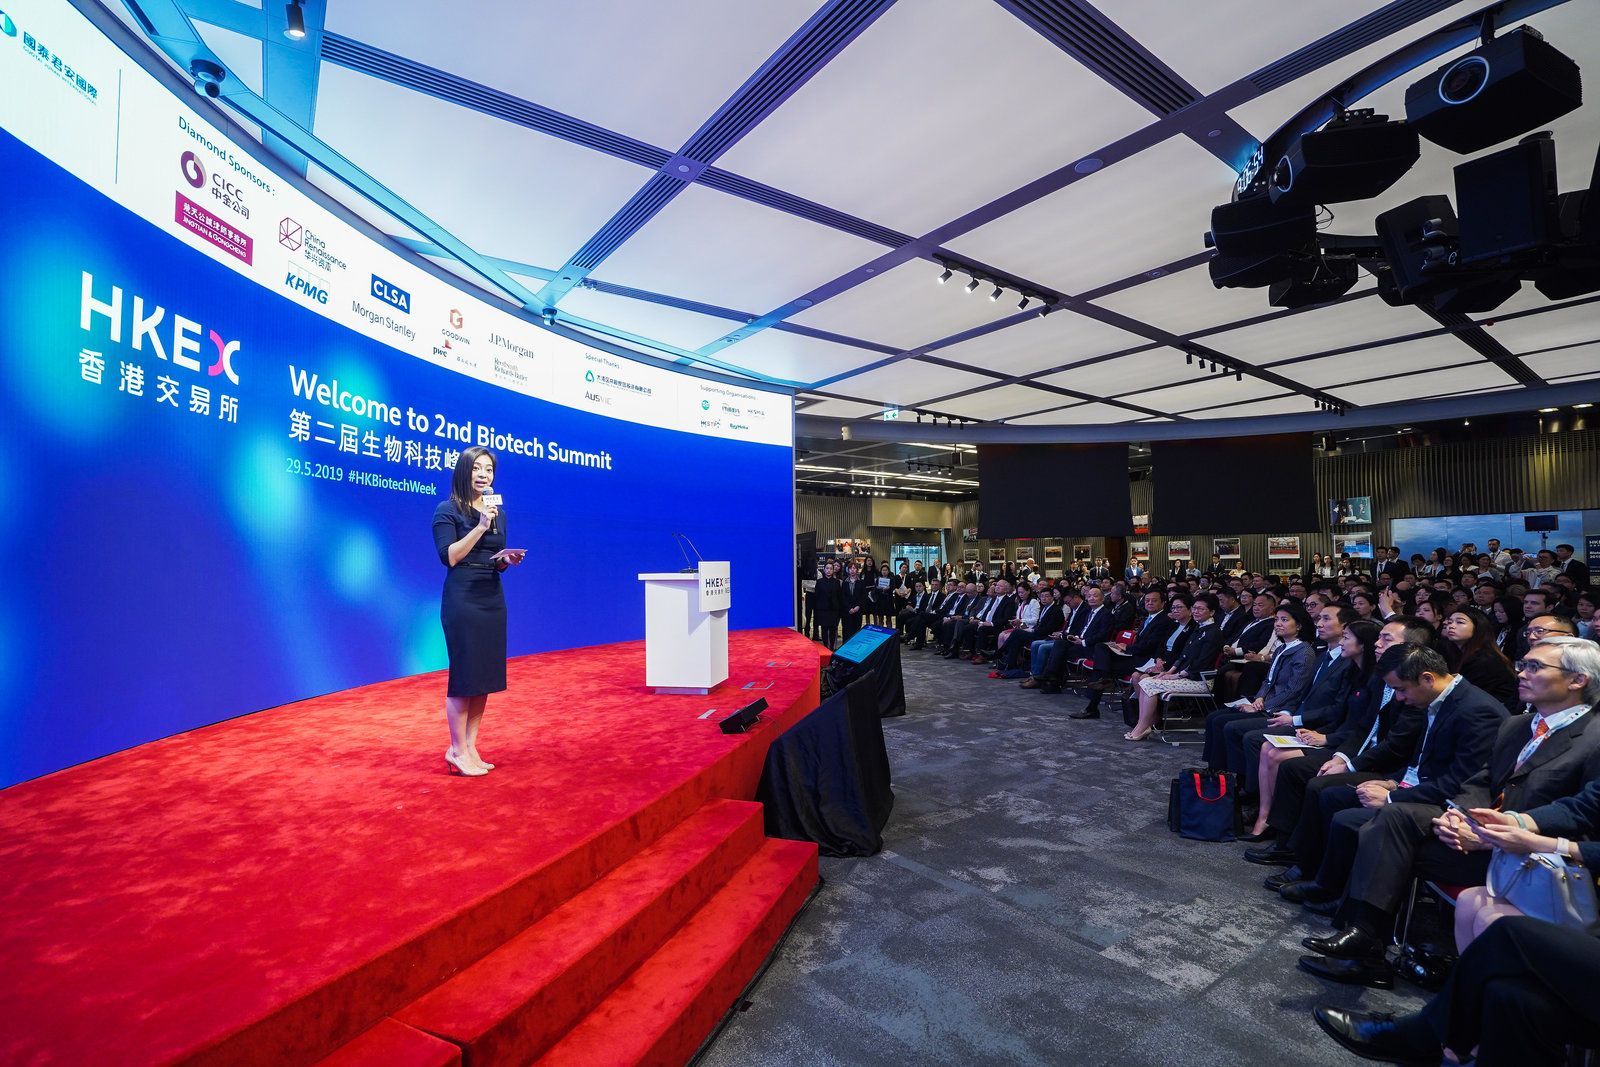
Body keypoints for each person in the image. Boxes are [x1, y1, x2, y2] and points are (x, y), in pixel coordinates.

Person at [1431, 635, 1600, 951]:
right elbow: (1482, 780)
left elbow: (1583, 818)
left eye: (1534, 666)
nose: (1520, 673)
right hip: (1506, 842)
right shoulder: (1518, 724)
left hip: (1554, 866)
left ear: (1578, 680)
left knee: (1492, 919)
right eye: (1523, 664)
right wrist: (1463, 816)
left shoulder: (1593, 738)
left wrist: (1506, 832)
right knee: (1469, 901)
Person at [431, 447, 525, 777]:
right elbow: (451, 556)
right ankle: (456, 749)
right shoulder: (447, 510)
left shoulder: (497, 511)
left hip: (491, 595)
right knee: (465, 676)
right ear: (464, 472)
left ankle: (470, 746)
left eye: (489, 469)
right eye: (477, 469)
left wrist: (506, 560)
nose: (484, 475)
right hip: (463, 598)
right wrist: (481, 526)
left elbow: (495, 558)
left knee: (484, 677)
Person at [1125, 593, 1225, 741]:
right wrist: (1169, 672)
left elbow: (1200, 664)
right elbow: (1184, 655)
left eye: (1201, 609)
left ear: (1212, 612)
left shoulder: (1214, 632)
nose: (1196, 612)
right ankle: (1144, 724)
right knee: (1145, 681)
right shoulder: (1199, 628)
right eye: (1195, 608)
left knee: (1148, 683)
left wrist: (1175, 675)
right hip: (1187, 676)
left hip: (1200, 681)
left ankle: (1143, 726)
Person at [1441, 605, 1522, 711]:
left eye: (1460, 622)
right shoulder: (1454, 653)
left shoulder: (1485, 659)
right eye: (1450, 622)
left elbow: (1464, 695)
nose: (1451, 626)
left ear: (1477, 627)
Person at [812, 560, 844, 650]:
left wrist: (839, 610)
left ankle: (832, 648)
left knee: (833, 629)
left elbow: (839, 597)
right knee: (824, 629)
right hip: (823, 609)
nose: (829, 570)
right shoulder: (819, 582)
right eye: (827, 568)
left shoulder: (837, 582)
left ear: (833, 570)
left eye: (831, 568)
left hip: (834, 610)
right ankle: (825, 647)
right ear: (824, 570)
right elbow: (816, 597)